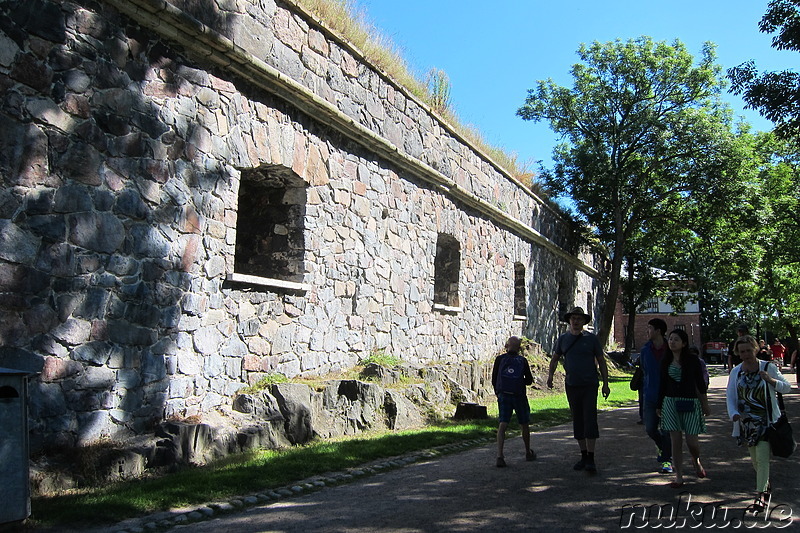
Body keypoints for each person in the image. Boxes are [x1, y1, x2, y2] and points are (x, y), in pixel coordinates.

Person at [726, 335, 792, 513]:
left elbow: (787, 387)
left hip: (765, 421)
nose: (746, 354)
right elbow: (730, 396)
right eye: (742, 351)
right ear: (738, 353)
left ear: (755, 349)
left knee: (762, 459)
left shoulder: (767, 367)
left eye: (748, 350)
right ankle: (766, 485)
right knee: (755, 460)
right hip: (746, 423)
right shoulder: (736, 372)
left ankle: (760, 495)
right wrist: (733, 414)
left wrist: (770, 380)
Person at [547, 307, 610, 473]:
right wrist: (550, 376)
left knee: (590, 419)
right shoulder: (563, 339)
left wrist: (605, 383)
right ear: (569, 321)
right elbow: (554, 359)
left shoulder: (591, 339)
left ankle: (591, 457)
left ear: (584, 322)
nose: (575, 321)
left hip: (589, 384)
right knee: (577, 419)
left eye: (579, 319)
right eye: (573, 318)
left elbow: (601, 361)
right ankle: (583, 455)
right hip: (572, 384)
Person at [657, 329, 710, 488]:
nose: (672, 342)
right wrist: (659, 405)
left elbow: (701, 385)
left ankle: (696, 460)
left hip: (691, 403)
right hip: (670, 403)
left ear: (684, 343)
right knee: (676, 441)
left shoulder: (693, 360)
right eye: (670, 339)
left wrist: (705, 404)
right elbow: (662, 385)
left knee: (692, 442)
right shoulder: (665, 360)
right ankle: (679, 476)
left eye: (676, 340)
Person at [492, 336, 536, 467]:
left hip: (504, 395)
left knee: (503, 424)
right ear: (519, 348)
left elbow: (494, 378)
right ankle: (528, 451)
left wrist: (498, 392)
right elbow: (529, 380)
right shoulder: (522, 360)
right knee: (524, 423)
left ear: (506, 346)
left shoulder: (500, 360)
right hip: (519, 395)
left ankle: (500, 455)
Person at [640, 318, 673, 474]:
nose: (648, 331)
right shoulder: (645, 350)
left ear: (658, 331)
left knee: (667, 431)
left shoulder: (671, 348)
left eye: (650, 328)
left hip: (668, 396)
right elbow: (645, 371)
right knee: (650, 429)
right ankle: (662, 447)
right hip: (651, 395)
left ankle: (667, 460)